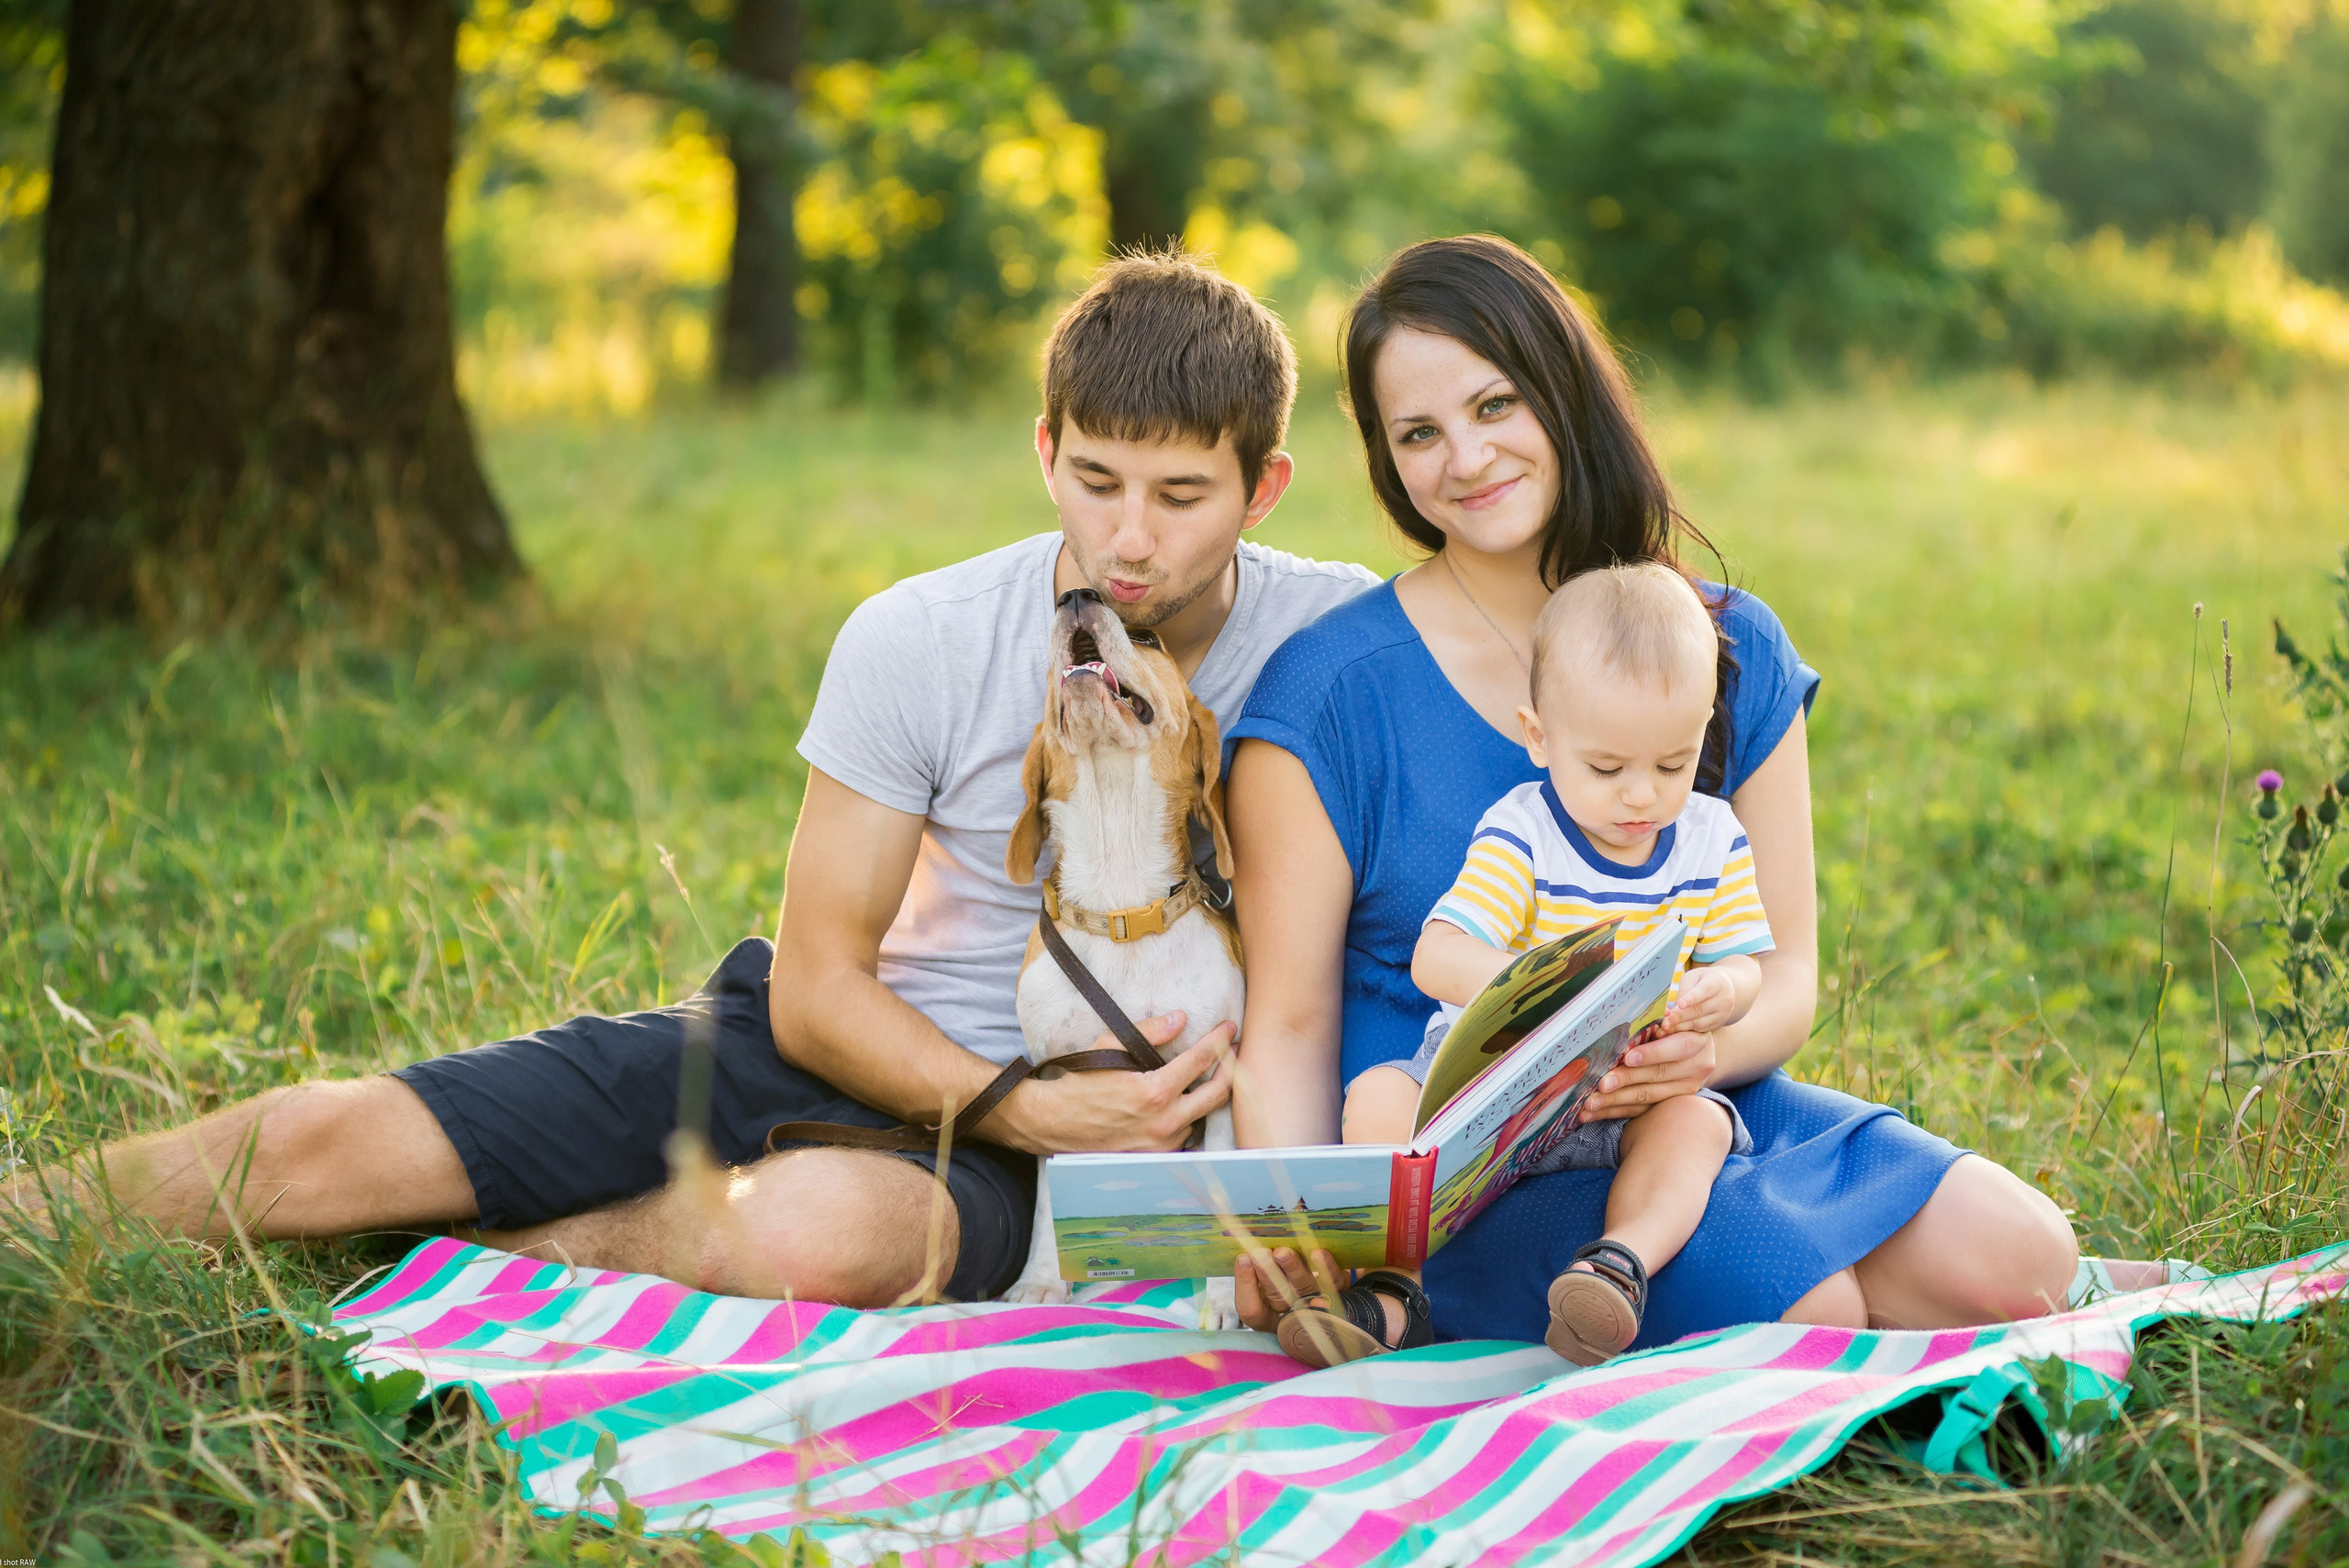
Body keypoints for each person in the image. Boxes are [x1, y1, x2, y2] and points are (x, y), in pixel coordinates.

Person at [5, 251, 1379, 1309]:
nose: (1126, 537)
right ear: (1042, 453)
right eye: (1094, 480)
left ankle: (422, 1282)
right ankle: (35, 1224)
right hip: (867, 1045)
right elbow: (819, 984)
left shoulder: (1340, 643)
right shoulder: (923, 634)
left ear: (1263, 490)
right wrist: (1024, 1097)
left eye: (1181, 496)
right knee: (335, 1137)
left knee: (802, 1232)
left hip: (1035, 1157)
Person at [1222, 235, 2084, 1352]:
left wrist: (1698, 1057)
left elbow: (1783, 974)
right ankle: (1446, 1299)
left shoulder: (1724, 645)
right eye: (1419, 433)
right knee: (1815, 1310)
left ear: (1562, 391)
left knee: (2028, 1261)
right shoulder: (1328, 691)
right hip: (1465, 1155)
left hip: (1689, 1103)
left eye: (1496, 404)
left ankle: (1764, 1266)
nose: (1467, 456)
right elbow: (1288, 1023)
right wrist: (1299, 1234)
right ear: (1388, 462)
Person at [1287, 562, 1774, 1368]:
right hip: (1489, 1104)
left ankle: (1616, 1265)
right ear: (1540, 737)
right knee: (1378, 1096)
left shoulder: (1710, 837)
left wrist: (1722, 989)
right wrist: (1544, 988)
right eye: (1608, 768)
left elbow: (1749, 962)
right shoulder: (1524, 831)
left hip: (1622, 1100)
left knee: (1699, 1123)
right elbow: (1436, 955)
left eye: (1673, 764)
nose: (1642, 797)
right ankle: (1390, 1289)